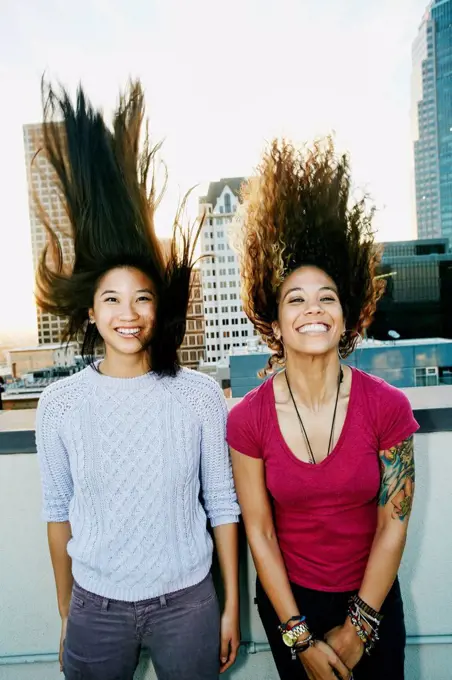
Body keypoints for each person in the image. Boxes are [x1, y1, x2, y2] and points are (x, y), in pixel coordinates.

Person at [35, 80, 240, 680]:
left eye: (142, 298)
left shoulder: (200, 394)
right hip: (96, 605)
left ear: (159, 308)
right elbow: (57, 513)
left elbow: (222, 505)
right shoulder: (60, 404)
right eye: (112, 300)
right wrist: (67, 610)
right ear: (91, 312)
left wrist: (227, 607)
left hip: (189, 604)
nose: (129, 313)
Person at [227, 139, 418, 680]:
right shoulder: (247, 419)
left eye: (327, 296)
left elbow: (393, 525)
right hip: (292, 607)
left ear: (347, 313)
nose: (313, 307)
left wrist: (360, 627)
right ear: (274, 317)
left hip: (374, 602)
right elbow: (259, 534)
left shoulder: (388, 407)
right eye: (296, 297)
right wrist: (299, 637)